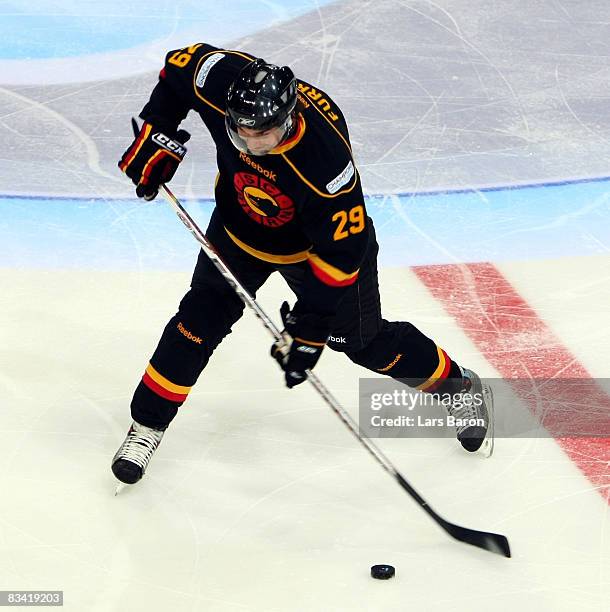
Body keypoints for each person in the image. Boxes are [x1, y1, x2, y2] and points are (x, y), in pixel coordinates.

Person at [112, 42, 493, 485]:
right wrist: (159, 133)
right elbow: (180, 67)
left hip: (317, 251)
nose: (252, 144)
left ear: (288, 119)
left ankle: (457, 387)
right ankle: (146, 427)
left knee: (361, 343)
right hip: (239, 230)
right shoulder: (224, 82)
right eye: (241, 133)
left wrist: (310, 327)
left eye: (264, 135)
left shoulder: (325, 164)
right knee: (198, 319)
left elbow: (341, 255)